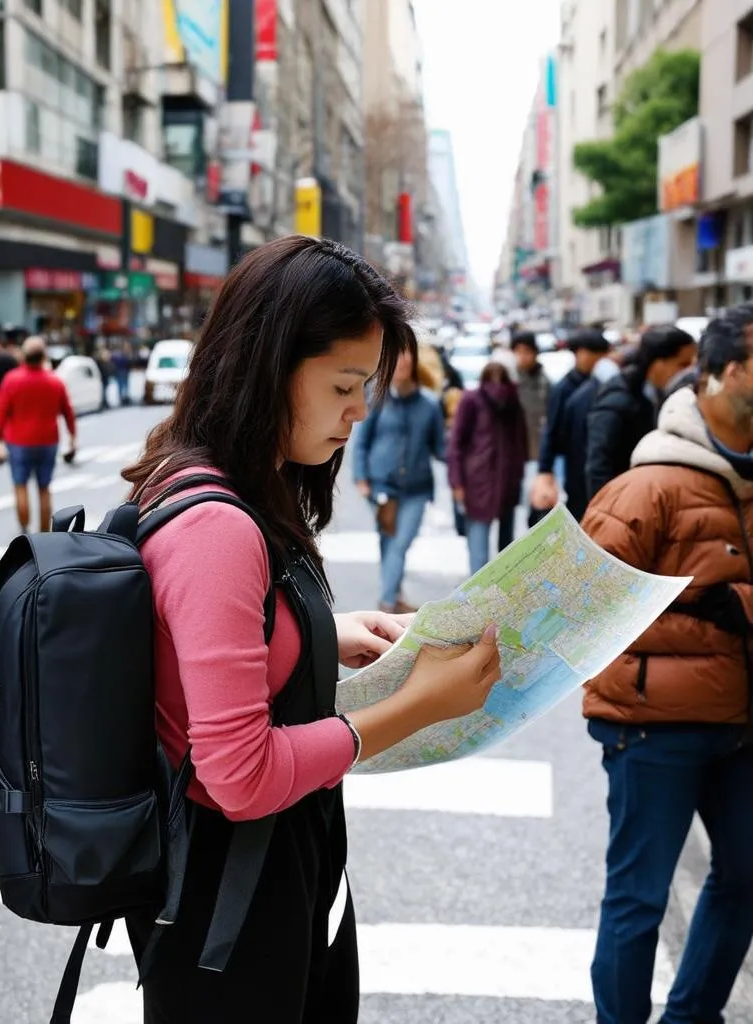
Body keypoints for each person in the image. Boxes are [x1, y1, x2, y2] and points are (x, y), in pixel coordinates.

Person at [118, 234, 502, 1022]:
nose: (361, 410)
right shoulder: (217, 526)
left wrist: (323, 635)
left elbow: (207, 659)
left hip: (259, 872)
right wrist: (420, 704)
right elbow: (239, 774)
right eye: (344, 385)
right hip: (229, 896)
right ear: (269, 366)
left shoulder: (218, 479)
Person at [581, 305, 753, 1024]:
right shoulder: (645, 487)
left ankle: (692, 1016)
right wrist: (702, 606)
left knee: (745, 878)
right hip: (651, 728)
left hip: (742, 725)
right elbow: (580, 607)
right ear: (726, 373)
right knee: (640, 898)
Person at [352, 345, 446, 613]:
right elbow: (362, 442)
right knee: (388, 543)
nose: (402, 362)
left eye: (407, 357)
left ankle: (387, 603)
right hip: (382, 488)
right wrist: (361, 477)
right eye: (397, 356)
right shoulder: (376, 398)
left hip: (416, 489)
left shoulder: (429, 404)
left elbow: (441, 448)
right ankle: (395, 593)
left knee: (400, 543)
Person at [585, 324, 697, 501]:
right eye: (683, 364)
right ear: (658, 363)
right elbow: (598, 465)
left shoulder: (666, 397)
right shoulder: (617, 402)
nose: (690, 372)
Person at [448, 361, 529, 574]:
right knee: (500, 551)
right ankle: (491, 599)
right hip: (497, 482)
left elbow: (456, 444)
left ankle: (478, 600)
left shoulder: (505, 402)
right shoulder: (505, 401)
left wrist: (457, 482)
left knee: (482, 552)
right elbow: (522, 445)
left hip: (481, 482)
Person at [0, 335, 77, 533]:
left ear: (23, 356)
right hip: (48, 440)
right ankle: (43, 532)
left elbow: (1, 412)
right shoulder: (55, 381)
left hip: (18, 441)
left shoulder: (11, 380)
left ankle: (24, 526)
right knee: (44, 488)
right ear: (43, 356)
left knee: (20, 484)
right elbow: (68, 412)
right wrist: (72, 436)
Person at [530, 327, 610, 521]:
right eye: (596, 355)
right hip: (573, 465)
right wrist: (545, 470)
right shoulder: (564, 388)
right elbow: (551, 429)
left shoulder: (603, 383)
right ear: (580, 353)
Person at [510, 332, 550, 462]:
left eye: (526, 351)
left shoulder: (544, 381)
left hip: (538, 448)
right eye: (518, 351)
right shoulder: (509, 380)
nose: (522, 356)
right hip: (514, 449)